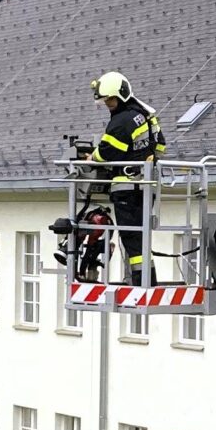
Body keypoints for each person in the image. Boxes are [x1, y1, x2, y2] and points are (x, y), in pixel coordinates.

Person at [80, 70, 162, 282]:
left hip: (126, 188)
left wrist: (91, 157)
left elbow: (108, 152)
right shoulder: (146, 115)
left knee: (131, 238)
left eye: (110, 99)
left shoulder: (121, 120)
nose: (108, 104)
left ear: (121, 95)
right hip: (147, 185)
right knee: (140, 237)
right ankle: (148, 280)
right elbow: (160, 146)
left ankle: (141, 283)